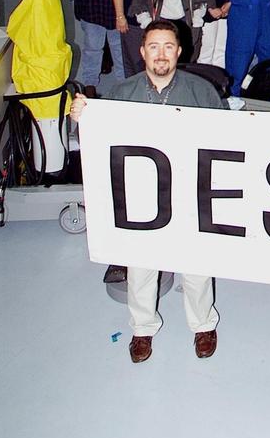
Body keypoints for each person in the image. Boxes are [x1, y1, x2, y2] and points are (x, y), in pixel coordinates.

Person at [69, 20, 225, 364]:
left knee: (196, 263)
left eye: (168, 46)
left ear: (179, 51)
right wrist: (83, 118)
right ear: (142, 52)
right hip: (141, 196)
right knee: (141, 264)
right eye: (153, 46)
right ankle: (142, 328)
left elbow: (228, 143)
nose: (161, 54)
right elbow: (98, 142)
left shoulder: (202, 92)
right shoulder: (123, 94)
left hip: (189, 192)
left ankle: (202, 324)